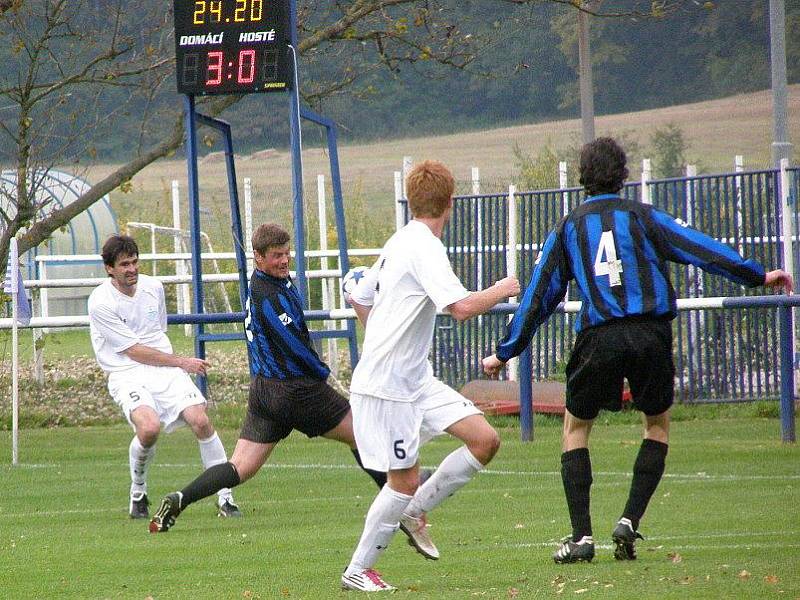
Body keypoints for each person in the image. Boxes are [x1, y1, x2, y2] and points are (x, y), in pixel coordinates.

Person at [482, 137, 793, 564]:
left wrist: (505, 351)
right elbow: (700, 247)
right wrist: (757, 275)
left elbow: (539, 295)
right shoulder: (646, 218)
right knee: (657, 425)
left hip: (599, 338)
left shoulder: (570, 227)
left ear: (582, 178)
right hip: (650, 333)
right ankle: (629, 520)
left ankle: (581, 538)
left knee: (575, 429)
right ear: (624, 175)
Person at [149, 223, 425, 540]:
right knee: (363, 435)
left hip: (265, 391)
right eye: (276, 256)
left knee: (240, 467)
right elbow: (292, 345)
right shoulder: (267, 294)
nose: (284, 261)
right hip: (294, 389)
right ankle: (404, 511)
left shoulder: (275, 281)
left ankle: (179, 499)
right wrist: (323, 373)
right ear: (258, 257)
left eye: (286, 254)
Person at [340, 160, 521, 592]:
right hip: (389, 386)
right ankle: (358, 569)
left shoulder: (401, 241)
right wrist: (504, 287)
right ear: (451, 202)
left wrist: (384, 335)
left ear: (412, 199)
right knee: (402, 480)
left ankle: (415, 510)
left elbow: (357, 295)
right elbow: (459, 309)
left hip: (415, 378)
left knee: (485, 440)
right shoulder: (421, 245)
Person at [88, 234, 240, 519]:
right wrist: (183, 362)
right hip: (126, 373)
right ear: (109, 268)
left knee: (201, 420)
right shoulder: (100, 302)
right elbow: (133, 351)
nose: (131, 269)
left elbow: (157, 332)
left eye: (134, 262)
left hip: (163, 368)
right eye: (124, 265)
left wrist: (174, 364)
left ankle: (225, 497)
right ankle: (139, 492)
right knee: (148, 429)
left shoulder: (153, 288)